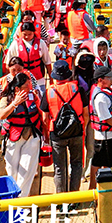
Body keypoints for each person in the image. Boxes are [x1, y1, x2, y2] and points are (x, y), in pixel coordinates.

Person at [0, 71, 47, 197]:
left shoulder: (33, 95)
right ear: (17, 88)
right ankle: (13, 195)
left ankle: (20, 202)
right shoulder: (6, 98)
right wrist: (15, 103)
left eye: (30, 85)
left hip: (32, 136)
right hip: (13, 137)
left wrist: (45, 135)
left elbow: (42, 114)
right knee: (12, 170)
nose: (29, 88)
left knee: (27, 171)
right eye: (26, 86)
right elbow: (1, 114)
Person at [45, 60, 86, 194]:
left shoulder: (49, 92)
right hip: (76, 131)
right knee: (77, 164)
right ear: (68, 75)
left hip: (57, 134)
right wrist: (82, 127)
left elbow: (45, 118)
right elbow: (86, 113)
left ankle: (61, 199)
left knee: (59, 168)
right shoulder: (78, 89)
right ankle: (74, 197)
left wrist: (47, 135)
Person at [89, 65, 112, 188]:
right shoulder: (100, 97)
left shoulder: (104, 91)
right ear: (100, 80)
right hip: (105, 136)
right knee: (102, 163)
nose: (111, 79)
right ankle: (97, 188)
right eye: (108, 77)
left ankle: (99, 187)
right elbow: (107, 118)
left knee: (101, 162)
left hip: (109, 135)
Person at [7, 21, 52, 92]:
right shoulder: (15, 44)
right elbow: (8, 64)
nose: (27, 36)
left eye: (30, 34)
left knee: (41, 98)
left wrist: (51, 79)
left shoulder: (41, 43)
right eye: (24, 34)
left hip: (38, 79)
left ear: (34, 33)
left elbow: (47, 62)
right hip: (21, 82)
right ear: (21, 33)